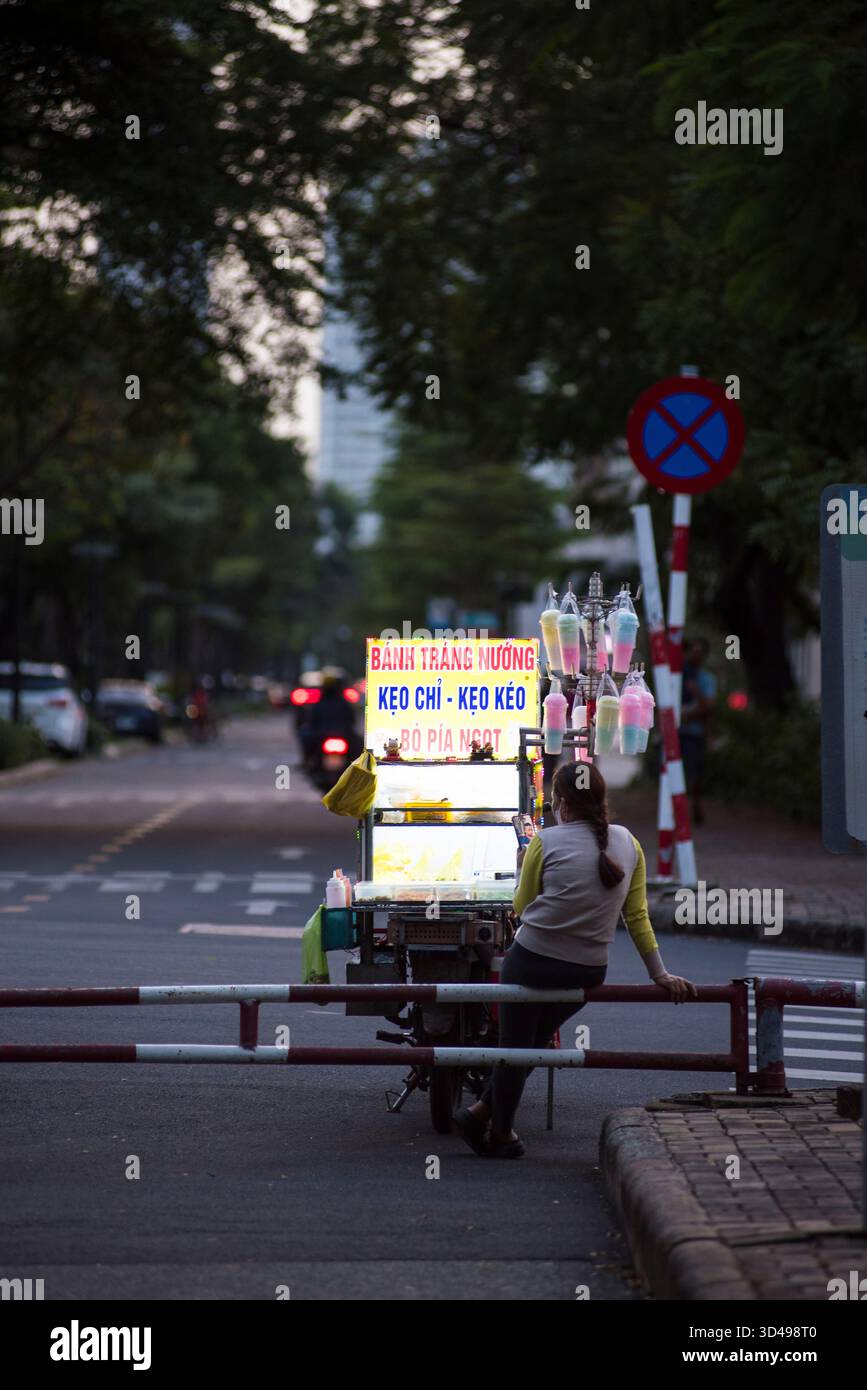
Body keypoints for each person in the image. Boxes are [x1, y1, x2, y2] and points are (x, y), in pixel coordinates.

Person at [453, 761, 696, 1158]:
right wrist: (660, 973)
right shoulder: (628, 843)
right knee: (531, 1045)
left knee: (516, 1048)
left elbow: (521, 905)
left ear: (561, 802)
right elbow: (636, 917)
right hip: (586, 973)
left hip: (531, 961)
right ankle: (483, 1116)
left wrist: (520, 871)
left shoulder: (544, 843)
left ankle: (498, 1130)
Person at [679, 636, 717, 826]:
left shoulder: (705, 679)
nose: (694, 655)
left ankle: (695, 804)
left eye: (699, 652)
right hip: (678, 732)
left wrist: (696, 694)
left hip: (695, 732)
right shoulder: (679, 675)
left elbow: (708, 708)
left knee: (695, 773)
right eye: (692, 651)